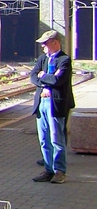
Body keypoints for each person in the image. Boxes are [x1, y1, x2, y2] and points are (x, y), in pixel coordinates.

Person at [30, 30, 74, 184]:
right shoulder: (42, 59)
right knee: (44, 139)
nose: (43, 47)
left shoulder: (64, 60)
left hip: (56, 104)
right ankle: (48, 169)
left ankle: (60, 171)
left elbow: (58, 80)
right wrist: (44, 79)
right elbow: (33, 76)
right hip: (41, 103)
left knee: (56, 139)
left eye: (45, 43)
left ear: (55, 43)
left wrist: (44, 76)